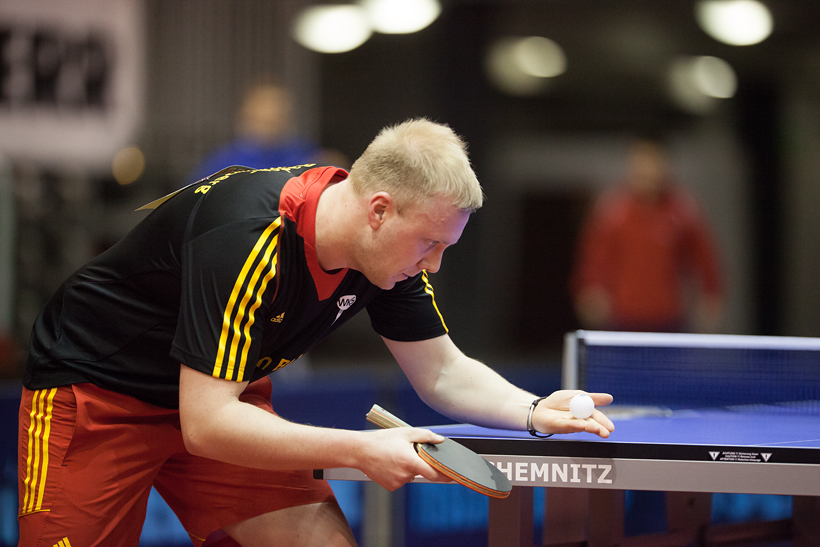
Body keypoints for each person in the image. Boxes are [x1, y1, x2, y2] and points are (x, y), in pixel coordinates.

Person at [19, 119, 614, 547]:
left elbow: (442, 371)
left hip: (225, 395)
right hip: (99, 395)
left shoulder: (391, 261)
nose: (434, 265)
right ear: (379, 210)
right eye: (430, 244)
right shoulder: (251, 238)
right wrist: (359, 449)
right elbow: (205, 423)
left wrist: (536, 411)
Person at [571, 135, 724, 333]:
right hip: (624, 320)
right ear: (632, 165)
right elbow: (593, 259)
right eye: (642, 163)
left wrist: (711, 293)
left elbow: (704, 257)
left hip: (670, 321)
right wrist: (590, 289)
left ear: (664, 165)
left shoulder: (683, 209)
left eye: (653, 163)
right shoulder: (612, 210)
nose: (648, 171)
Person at [188, 79, 347, 185]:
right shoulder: (221, 163)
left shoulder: (306, 153)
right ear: (245, 115)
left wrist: (333, 170)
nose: (275, 117)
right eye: (264, 120)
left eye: (280, 116)